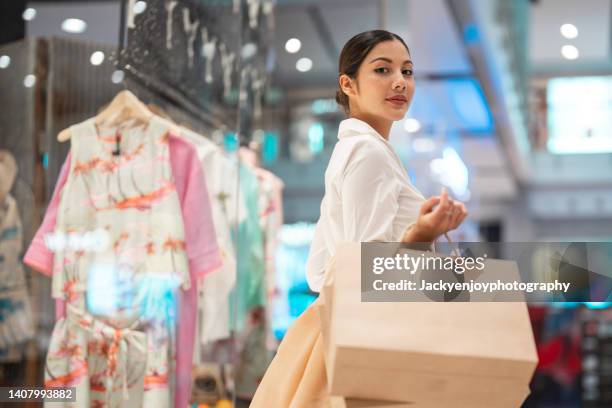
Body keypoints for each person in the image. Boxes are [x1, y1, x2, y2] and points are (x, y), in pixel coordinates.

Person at [250, 30, 468, 407]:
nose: (400, 81)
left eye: (408, 71)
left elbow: (324, 268)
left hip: (349, 332)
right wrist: (421, 234)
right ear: (348, 84)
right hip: (371, 337)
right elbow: (364, 270)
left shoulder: (362, 150)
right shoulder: (368, 153)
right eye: (382, 70)